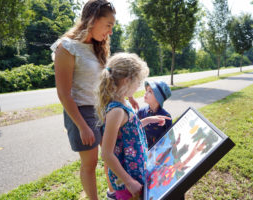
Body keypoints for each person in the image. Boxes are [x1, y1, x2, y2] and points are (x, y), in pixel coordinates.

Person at [51, 1, 138, 199]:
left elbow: (108, 79)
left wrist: (128, 96)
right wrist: (82, 126)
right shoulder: (66, 47)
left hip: (103, 109)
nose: (111, 31)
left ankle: (112, 193)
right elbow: (63, 93)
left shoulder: (99, 47)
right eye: (108, 25)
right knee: (89, 164)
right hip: (81, 111)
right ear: (93, 19)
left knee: (112, 155)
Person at [95, 52, 171, 200]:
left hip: (135, 170)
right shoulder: (116, 111)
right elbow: (106, 154)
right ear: (127, 81)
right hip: (127, 180)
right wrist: (128, 181)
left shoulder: (124, 102)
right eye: (138, 82)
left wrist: (148, 120)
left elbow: (129, 131)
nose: (139, 86)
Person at [137, 81, 172, 149]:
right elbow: (134, 128)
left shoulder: (166, 116)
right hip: (142, 151)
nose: (145, 93)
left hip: (157, 154)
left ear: (158, 98)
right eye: (146, 90)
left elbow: (169, 138)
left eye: (150, 91)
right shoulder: (141, 112)